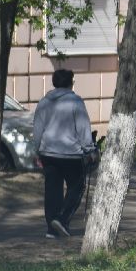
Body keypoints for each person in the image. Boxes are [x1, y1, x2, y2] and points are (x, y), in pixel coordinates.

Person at [32, 68, 95, 238]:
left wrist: (36, 150)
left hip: (48, 153)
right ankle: (62, 219)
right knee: (77, 186)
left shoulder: (44, 102)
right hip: (70, 154)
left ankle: (52, 229)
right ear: (70, 83)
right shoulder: (76, 101)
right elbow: (83, 128)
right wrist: (89, 149)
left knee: (52, 191)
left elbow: (37, 129)